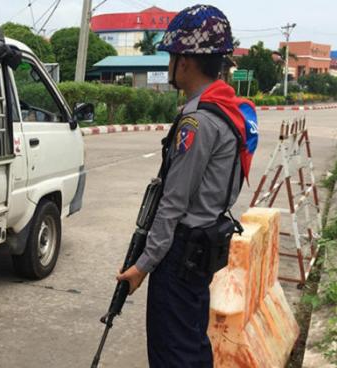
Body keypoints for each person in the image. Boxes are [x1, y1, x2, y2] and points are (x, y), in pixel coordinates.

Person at [116, 4, 259, 368]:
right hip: (204, 245)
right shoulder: (228, 109)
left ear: (186, 61)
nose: (171, 65)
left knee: (172, 354)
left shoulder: (197, 121)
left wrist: (142, 266)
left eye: (172, 56)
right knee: (192, 345)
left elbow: (173, 202)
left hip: (180, 252)